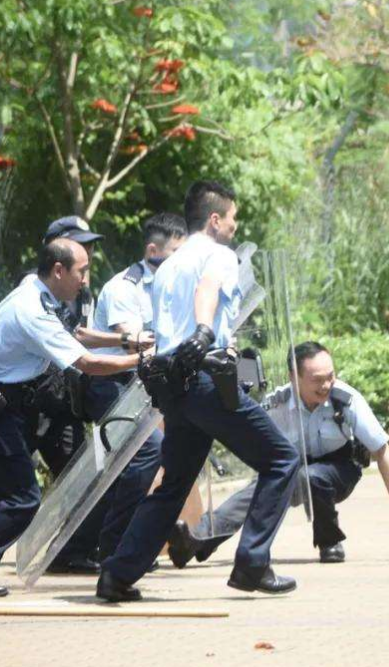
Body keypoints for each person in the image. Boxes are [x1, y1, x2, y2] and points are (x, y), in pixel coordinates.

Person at [97, 180, 300, 602]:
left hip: (172, 384)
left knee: (173, 485)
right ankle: (252, 564)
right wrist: (206, 330)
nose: (233, 227)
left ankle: (116, 574)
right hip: (205, 378)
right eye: (232, 219)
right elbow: (208, 290)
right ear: (214, 219)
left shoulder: (168, 265)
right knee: (282, 459)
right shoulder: (219, 255)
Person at [166, 341, 389, 567]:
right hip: (292, 465)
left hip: (340, 469)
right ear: (294, 377)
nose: (326, 385)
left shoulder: (346, 400)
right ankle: (196, 540)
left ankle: (329, 541)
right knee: (258, 491)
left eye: (330, 377)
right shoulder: (277, 403)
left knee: (310, 477)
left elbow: (381, 448)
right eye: (317, 380)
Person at [0, 239, 143, 597]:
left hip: (16, 404)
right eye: (82, 271)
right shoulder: (30, 308)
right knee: (22, 499)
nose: (86, 280)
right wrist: (146, 361)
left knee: (9, 493)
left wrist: (133, 343)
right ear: (58, 270)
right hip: (4, 404)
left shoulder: (39, 294)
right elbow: (86, 364)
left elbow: (74, 337)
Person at [55, 213, 189, 569]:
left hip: (138, 386)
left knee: (118, 471)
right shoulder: (123, 288)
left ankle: (90, 547)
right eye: (177, 252)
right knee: (146, 453)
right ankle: (118, 547)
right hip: (108, 384)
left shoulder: (178, 287)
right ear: (153, 250)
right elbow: (136, 348)